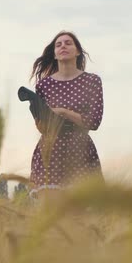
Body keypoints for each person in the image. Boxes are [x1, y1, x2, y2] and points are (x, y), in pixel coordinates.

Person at [29, 31, 104, 198]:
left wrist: (63, 112)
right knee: (49, 210)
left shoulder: (92, 81)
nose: (63, 46)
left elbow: (94, 121)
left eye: (68, 43)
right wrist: (40, 123)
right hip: (50, 151)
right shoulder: (44, 85)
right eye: (58, 44)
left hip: (80, 150)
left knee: (83, 210)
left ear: (77, 51)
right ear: (54, 54)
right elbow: (42, 126)